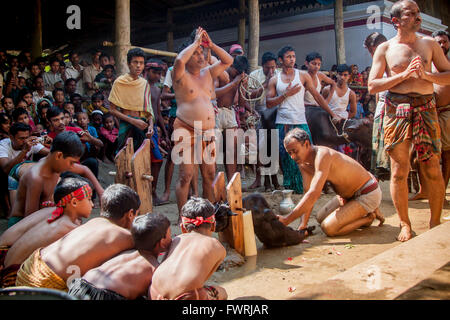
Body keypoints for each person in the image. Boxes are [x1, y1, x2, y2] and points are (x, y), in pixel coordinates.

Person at [368, 0, 450, 241]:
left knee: (432, 167)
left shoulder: (430, 44)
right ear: (396, 21)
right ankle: (405, 224)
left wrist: (427, 75)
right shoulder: (385, 49)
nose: (417, 17)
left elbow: (449, 75)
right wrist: (403, 75)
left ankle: (435, 222)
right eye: (410, 13)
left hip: (426, 106)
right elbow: (372, 85)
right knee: (399, 170)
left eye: (418, 13)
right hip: (397, 108)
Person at [15, 184, 139, 291]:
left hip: (27, 270)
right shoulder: (124, 236)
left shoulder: (94, 221)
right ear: (130, 214)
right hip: (42, 284)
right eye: (136, 215)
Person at [172, 27, 233, 216]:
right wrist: (196, 43)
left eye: (202, 53)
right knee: (186, 176)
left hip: (207, 131)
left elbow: (228, 60)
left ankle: (208, 215)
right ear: (189, 54)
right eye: (195, 53)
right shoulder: (179, 74)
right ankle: (184, 219)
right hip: (186, 128)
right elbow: (179, 60)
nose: (200, 56)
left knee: (209, 175)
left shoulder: (208, 72)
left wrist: (211, 45)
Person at [277, 128, 384, 236]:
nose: (293, 157)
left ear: (306, 144)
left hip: (367, 192)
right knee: (320, 218)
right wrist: (302, 226)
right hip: (347, 196)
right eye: (289, 153)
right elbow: (308, 192)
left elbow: (313, 194)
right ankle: (364, 211)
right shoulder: (303, 164)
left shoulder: (323, 155)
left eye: (295, 151)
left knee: (329, 228)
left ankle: (369, 218)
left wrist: (287, 220)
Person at [266, 45, 341, 194]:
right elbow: (269, 103)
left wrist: (332, 114)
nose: (292, 59)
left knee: (308, 155)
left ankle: (308, 187)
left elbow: (318, 97)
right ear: (280, 60)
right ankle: (290, 189)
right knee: (287, 157)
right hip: (283, 122)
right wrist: (286, 94)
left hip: (300, 120)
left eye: (293, 56)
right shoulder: (275, 79)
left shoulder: (302, 76)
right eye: (288, 56)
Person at [0, 176, 93, 288]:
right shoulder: (69, 228)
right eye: (89, 199)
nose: (92, 204)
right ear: (73, 203)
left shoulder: (51, 211)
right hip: (12, 277)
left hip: (4, 258)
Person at [7, 131, 103, 228]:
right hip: (20, 224)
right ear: (59, 156)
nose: (71, 167)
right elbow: (30, 220)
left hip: (40, 215)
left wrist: (100, 192)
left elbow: (85, 169)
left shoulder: (55, 165)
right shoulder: (36, 178)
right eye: (71, 162)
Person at [68, 213, 172, 300]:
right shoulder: (154, 268)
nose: (172, 238)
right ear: (162, 242)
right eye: (169, 234)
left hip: (80, 285)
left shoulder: (126, 252)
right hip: (104, 296)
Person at [150, 197, 227, 300]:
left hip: (155, 292)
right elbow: (201, 279)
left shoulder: (176, 240)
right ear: (213, 226)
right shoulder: (216, 246)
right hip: (185, 297)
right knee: (222, 292)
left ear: (183, 227)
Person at [109, 48, 154, 153]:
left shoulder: (144, 84)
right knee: (124, 157)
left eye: (141, 63)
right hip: (127, 123)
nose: (138, 66)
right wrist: (133, 121)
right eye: (135, 62)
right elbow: (112, 109)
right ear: (129, 64)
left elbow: (149, 110)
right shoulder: (119, 82)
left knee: (142, 161)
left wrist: (151, 126)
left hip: (143, 124)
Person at [247, 52, 280, 191]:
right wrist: (265, 84)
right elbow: (249, 95)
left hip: (276, 114)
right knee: (262, 148)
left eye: (273, 67)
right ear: (262, 66)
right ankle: (261, 180)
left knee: (274, 148)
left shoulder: (279, 75)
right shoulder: (255, 76)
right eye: (268, 67)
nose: (271, 70)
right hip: (260, 114)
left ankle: (273, 180)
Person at [216, 55, 249, 182]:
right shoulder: (221, 73)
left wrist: (242, 87)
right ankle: (214, 185)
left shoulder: (239, 78)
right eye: (236, 71)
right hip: (216, 112)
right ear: (231, 66)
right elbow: (214, 93)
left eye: (240, 73)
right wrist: (234, 83)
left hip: (230, 112)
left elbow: (241, 104)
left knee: (232, 151)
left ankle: (231, 183)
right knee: (213, 150)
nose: (237, 74)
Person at [364, 32, 389, 180]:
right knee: (378, 144)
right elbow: (377, 91)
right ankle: (379, 174)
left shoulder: (393, 60)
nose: (371, 54)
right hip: (381, 105)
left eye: (371, 51)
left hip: (393, 106)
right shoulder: (377, 63)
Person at [145, 59, 170, 205]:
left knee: (156, 160)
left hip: (153, 128)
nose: (158, 76)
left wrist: (165, 133)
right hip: (144, 127)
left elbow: (158, 112)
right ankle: (150, 193)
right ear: (147, 71)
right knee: (156, 159)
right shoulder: (142, 87)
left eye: (159, 73)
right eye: (155, 72)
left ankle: (152, 192)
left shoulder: (156, 89)